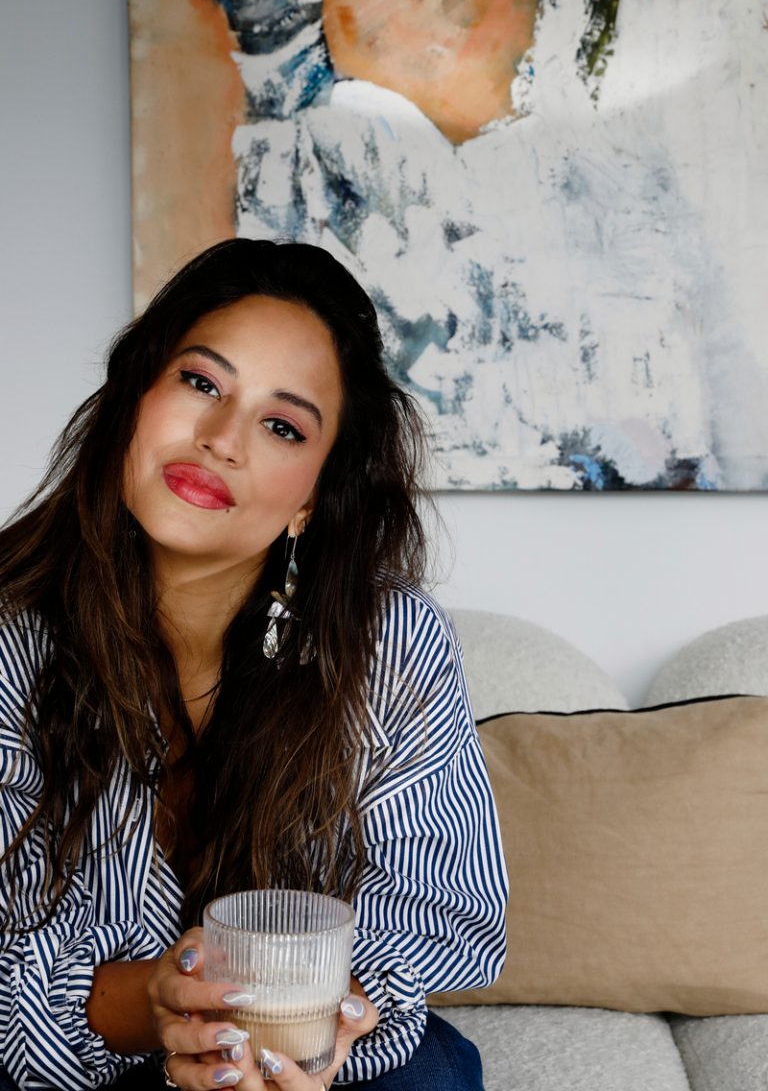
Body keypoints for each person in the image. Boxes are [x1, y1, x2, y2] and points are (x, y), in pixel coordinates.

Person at [0, 239, 508, 1091]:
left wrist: (311, 1025)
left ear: (312, 490)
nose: (221, 440)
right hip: (90, 1055)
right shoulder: (15, 633)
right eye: (201, 383)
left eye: (282, 425)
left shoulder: (390, 644)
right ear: (136, 396)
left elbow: (437, 905)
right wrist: (166, 1011)